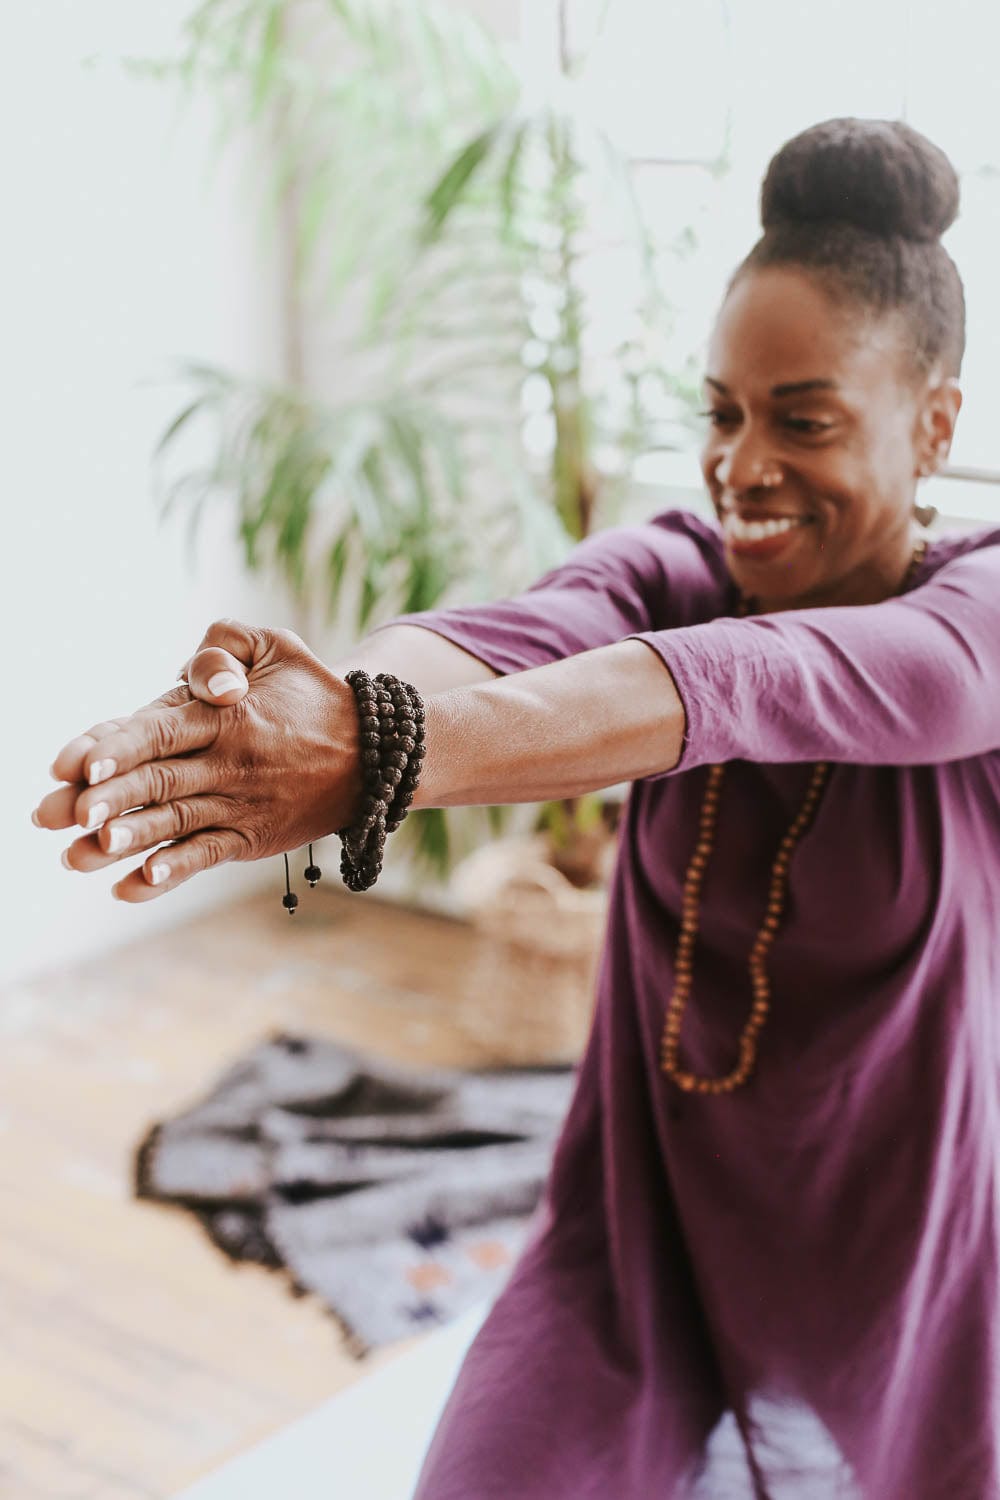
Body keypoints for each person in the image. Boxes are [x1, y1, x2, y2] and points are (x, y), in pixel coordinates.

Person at [32, 118, 1000, 1497]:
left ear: (937, 423)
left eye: (805, 419)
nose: (742, 467)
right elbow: (509, 638)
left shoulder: (980, 615)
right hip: (641, 1229)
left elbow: (762, 684)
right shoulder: (678, 562)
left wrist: (379, 751)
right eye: (722, 413)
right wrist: (326, 714)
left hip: (906, 1257)